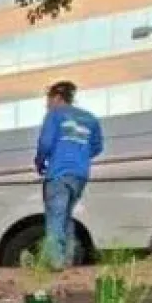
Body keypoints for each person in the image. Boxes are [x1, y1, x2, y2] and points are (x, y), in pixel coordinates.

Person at [33, 80, 104, 267]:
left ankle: (55, 263)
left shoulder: (54, 115)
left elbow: (46, 143)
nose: (46, 104)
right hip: (80, 175)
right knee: (66, 215)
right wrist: (78, 156)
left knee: (55, 215)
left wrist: (40, 161)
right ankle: (67, 260)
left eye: (48, 100)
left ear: (57, 97)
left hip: (59, 172)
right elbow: (97, 147)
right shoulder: (90, 119)